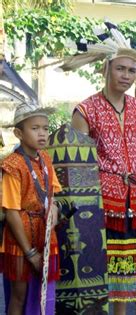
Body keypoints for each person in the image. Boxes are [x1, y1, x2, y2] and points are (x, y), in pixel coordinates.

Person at [67, 21, 136, 315]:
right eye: (121, 68)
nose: (126, 75)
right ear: (105, 69)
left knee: (123, 267)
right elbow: (76, 162)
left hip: (131, 200)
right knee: (96, 266)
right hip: (98, 201)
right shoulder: (85, 109)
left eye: (132, 70)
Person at [1, 102, 60, 315]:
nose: (42, 133)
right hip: (21, 237)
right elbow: (11, 211)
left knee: (43, 292)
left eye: (45, 128)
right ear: (18, 133)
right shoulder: (12, 165)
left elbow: (52, 196)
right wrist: (30, 252)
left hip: (44, 233)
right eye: (34, 129)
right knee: (19, 294)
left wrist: (53, 209)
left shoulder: (45, 159)